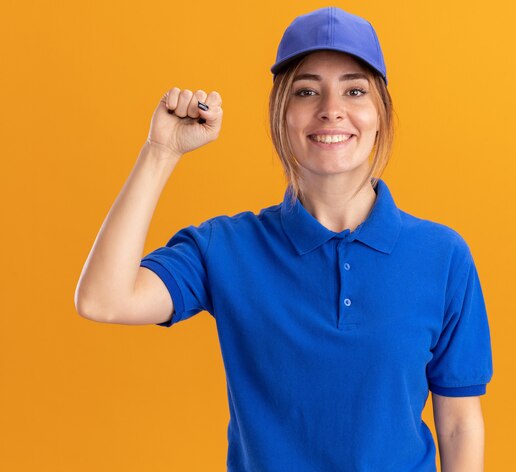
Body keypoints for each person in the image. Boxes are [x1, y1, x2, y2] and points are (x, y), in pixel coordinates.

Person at [75, 6, 493, 472]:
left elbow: (458, 421)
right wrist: (161, 152)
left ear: (380, 113)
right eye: (307, 91)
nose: (331, 109)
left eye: (354, 90)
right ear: (281, 113)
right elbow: (103, 300)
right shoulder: (226, 248)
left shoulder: (443, 256)